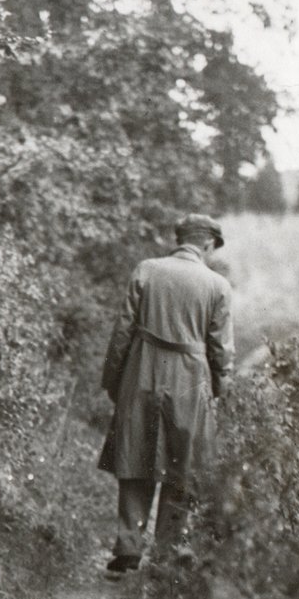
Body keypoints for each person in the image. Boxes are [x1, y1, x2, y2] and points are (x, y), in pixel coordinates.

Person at [98, 213, 234, 573]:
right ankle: (165, 554)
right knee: (183, 465)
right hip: (192, 378)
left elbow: (122, 333)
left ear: (180, 239)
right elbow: (221, 350)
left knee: (134, 456)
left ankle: (128, 547)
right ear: (206, 244)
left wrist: (114, 380)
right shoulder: (218, 286)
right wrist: (218, 390)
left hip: (142, 370)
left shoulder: (146, 270)